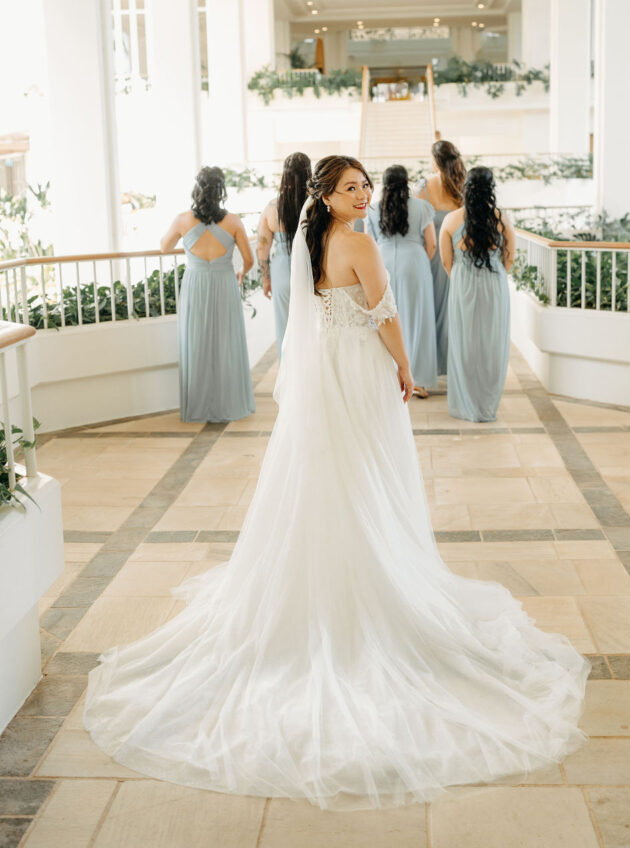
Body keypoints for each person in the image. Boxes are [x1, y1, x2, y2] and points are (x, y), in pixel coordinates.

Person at [83, 154, 588, 812]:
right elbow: (384, 317)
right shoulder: (357, 241)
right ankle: (369, 585)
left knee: (333, 474)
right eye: (350, 188)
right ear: (325, 195)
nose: (362, 195)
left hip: (326, 376)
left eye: (364, 187)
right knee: (367, 474)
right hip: (361, 372)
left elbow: (317, 314)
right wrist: (405, 369)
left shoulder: (310, 240)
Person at [160, 166, 255, 423]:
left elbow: (164, 246)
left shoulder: (182, 220)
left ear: (197, 189)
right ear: (221, 190)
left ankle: (199, 406)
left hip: (196, 283)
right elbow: (249, 259)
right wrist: (241, 274)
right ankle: (228, 402)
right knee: (226, 342)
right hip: (225, 281)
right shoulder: (234, 221)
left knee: (197, 342)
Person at [440, 166, 515, 422]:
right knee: (492, 344)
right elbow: (509, 259)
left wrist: (462, 278)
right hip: (495, 284)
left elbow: (445, 262)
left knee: (465, 343)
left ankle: (467, 401)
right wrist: (493, 274)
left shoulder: (450, 220)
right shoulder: (502, 219)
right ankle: (487, 404)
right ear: (490, 189)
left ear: (466, 188)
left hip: (463, 283)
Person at [367, 164, 437, 396]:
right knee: (417, 318)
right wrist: (419, 262)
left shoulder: (373, 209)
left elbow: (370, 242)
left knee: (385, 319)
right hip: (415, 262)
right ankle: (418, 380)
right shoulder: (422, 207)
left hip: (382, 262)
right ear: (406, 182)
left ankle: (388, 375)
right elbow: (432, 244)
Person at [415, 140, 466, 374]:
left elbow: (415, 221)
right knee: (456, 311)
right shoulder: (463, 186)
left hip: (432, 255)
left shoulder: (424, 187)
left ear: (435, 161)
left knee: (430, 309)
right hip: (460, 255)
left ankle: (431, 366)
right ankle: (454, 365)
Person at [257, 151, 312, 357]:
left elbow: (262, 247)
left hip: (282, 273)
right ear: (309, 173)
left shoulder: (272, 207)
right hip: (312, 269)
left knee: (285, 327)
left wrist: (266, 279)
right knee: (313, 327)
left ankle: (288, 381)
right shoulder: (316, 204)